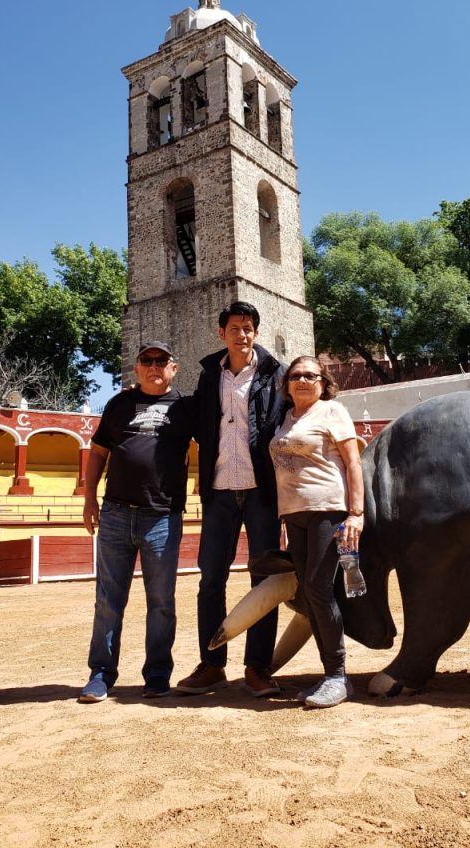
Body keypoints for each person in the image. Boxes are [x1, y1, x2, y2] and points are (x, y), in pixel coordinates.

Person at [175, 302, 286, 697]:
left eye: (249, 327)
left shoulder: (277, 374)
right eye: (236, 327)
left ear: (256, 333)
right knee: (211, 580)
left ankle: (257, 667)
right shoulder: (209, 377)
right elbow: (195, 425)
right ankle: (212, 663)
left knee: (265, 581)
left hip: (262, 492)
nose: (243, 333)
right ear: (221, 333)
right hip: (219, 490)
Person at [78, 340, 195, 703]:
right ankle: (101, 674)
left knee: (161, 601)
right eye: (148, 360)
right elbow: (98, 453)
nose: (154, 366)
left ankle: (158, 674)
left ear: (174, 368)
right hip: (115, 512)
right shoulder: (119, 404)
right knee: (108, 600)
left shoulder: (186, 408)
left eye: (162, 361)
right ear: (137, 367)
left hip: (161, 515)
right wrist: (88, 499)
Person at [269, 355, 364, 709]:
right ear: (287, 384)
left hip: (327, 509)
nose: (303, 380)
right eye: (296, 376)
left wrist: (356, 513)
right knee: (310, 592)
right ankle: (331, 675)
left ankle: (338, 675)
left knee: (319, 589)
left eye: (311, 375)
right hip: (294, 514)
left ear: (324, 382)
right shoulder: (287, 418)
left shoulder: (332, 411)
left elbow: (353, 461)